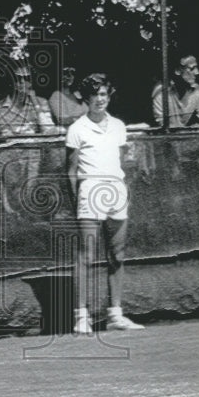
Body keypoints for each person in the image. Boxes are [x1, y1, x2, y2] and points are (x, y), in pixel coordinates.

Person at [66, 73, 144, 335]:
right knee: (86, 256)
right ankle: (81, 316)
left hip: (116, 190)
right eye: (96, 94)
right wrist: (77, 201)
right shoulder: (76, 129)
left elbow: (122, 162)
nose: (100, 99)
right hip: (90, 190)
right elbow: (71, 171)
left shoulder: (120, 126)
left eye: (104, 94)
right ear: (86, 98)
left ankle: (115, 315)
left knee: (117, 255)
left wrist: (122, 188)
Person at [0, 60, 63, 137]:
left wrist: (35, 103)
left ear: (31, 82)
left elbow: (49, 131)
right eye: (17, 78)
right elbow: (7, 136)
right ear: (11, 81)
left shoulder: (41, 102)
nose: (22, 81)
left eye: (26, 78)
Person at [151, 55, 199, 127]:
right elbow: (163, 127)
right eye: (192, 68)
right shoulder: (161, 93)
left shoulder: (196, 90)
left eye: (196, 68)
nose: (197, 72)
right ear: (178, 71)